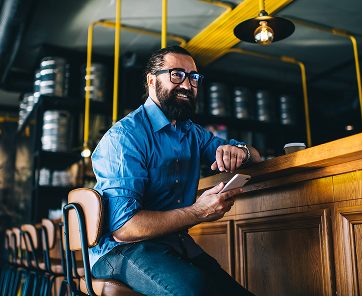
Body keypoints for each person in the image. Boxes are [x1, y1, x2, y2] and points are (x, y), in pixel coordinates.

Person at [90, 45, 261, 296]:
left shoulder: (192, 132)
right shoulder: (125, 137)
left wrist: (241, 152)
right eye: (176, 75)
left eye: (193, 78)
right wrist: (199, 211)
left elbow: (254, 155)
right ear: (151, 81)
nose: (187, 85)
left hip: (172, 242)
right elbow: (125, 228)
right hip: (120, 249)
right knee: (197, 289)